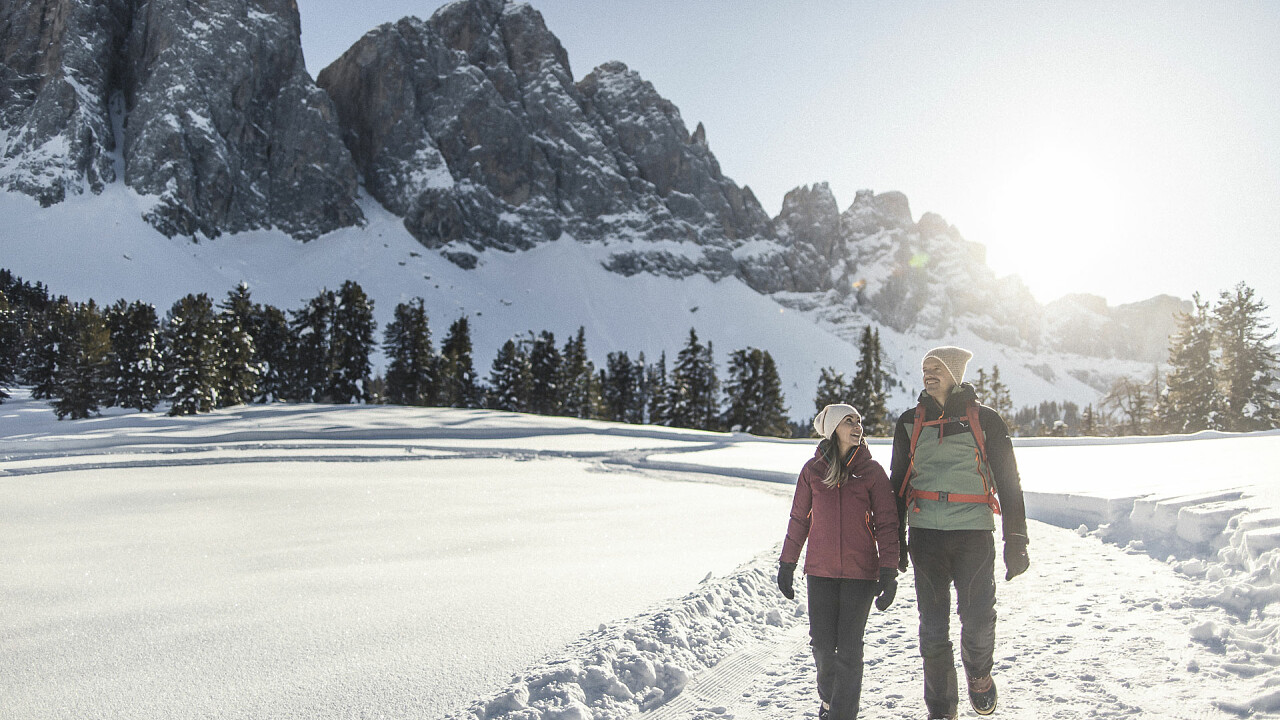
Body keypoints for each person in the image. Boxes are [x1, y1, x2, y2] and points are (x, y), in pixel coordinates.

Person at [889, 346, 1030, 719]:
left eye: (935, 368)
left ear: (954, 372)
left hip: (973, 534)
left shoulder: (986, 419)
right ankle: (941, 709)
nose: (928, 374)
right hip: (926, 536)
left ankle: (980, 676)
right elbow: (897, 485)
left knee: (979, 617)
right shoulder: (908, 421)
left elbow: (1009, 482)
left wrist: (1016, 540)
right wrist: (895, 543)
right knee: (933, 628)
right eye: (924, 368)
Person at [777, 403, 900, 720]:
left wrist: (889, 572)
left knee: (848, 650)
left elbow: (887, 523)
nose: (858, 426)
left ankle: (843, 713)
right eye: (849, 421)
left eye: (859, 421)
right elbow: (799, 520)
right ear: (833, 429)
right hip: (821, 573)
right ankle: (829, 700)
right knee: (822, 647)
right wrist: (787, 564)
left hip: (861, 575)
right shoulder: (813, 470)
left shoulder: (872, 472)